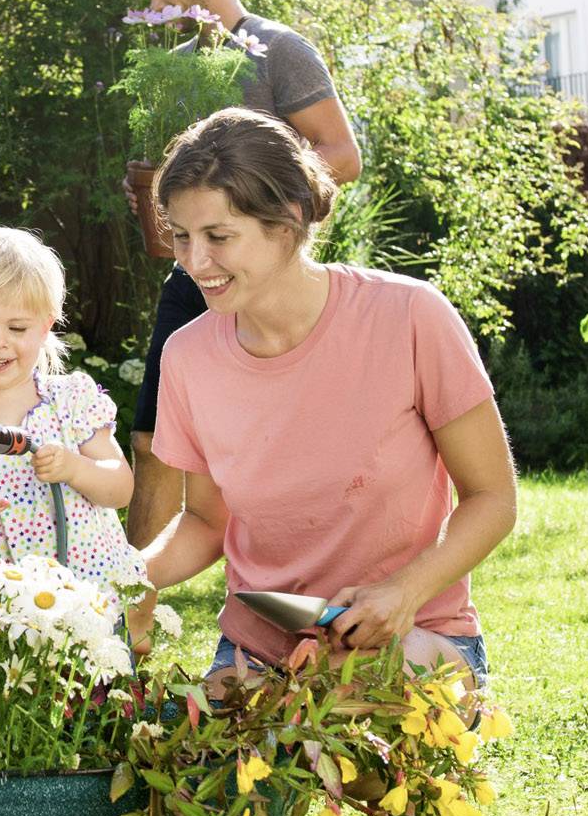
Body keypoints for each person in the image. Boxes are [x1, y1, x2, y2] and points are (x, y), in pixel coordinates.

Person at [126, 107, 516, 697]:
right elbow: (208, 522)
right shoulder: (187, 357)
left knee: (326, 727)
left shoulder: (409, 316)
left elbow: (493, 498)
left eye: (219, 237)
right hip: (262, 643)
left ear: (288, 221)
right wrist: (131, 578)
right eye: (181, 237)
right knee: (194, 774)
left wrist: (403, 591)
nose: (194, 262)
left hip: (410, 634)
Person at [117, 0, 363, 546]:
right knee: (151, 438)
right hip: (194, 274)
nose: (161, 5)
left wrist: (254, 203)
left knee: (292, 442)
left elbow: (342, 156)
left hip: (269, 280)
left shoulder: (279, 51)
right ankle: (129, 610)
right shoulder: (182, 64)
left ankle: (313, 573)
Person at [0, 226, 143, 590]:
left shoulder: (70, 400)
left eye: (17, 328)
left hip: (84, 600)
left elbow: (120, 487)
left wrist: (75, 468)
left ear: (46, 326)